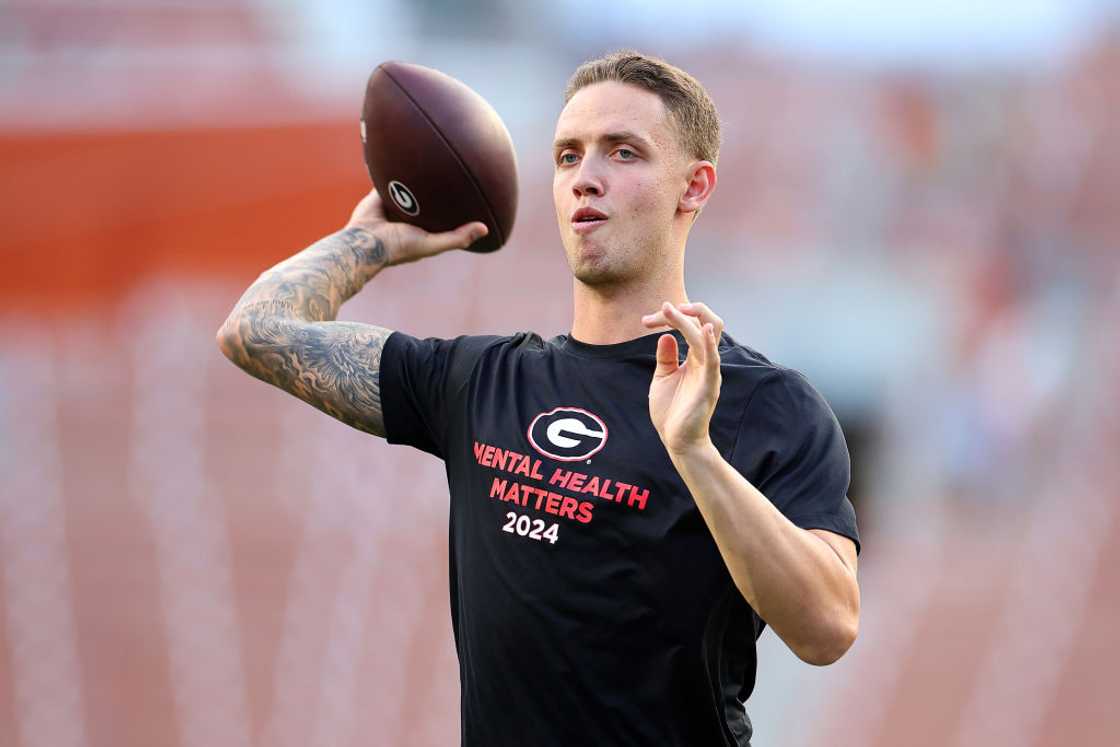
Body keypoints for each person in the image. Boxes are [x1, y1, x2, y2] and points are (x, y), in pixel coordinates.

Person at [217, 50, 860, 746]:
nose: (586, 178)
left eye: (622, 152)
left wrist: (694, 453)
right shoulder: (479, 380)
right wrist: (367, 242)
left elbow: (827, 628)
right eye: (566, 156)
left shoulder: (761, 404)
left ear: (694, 186)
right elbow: (256, 331)